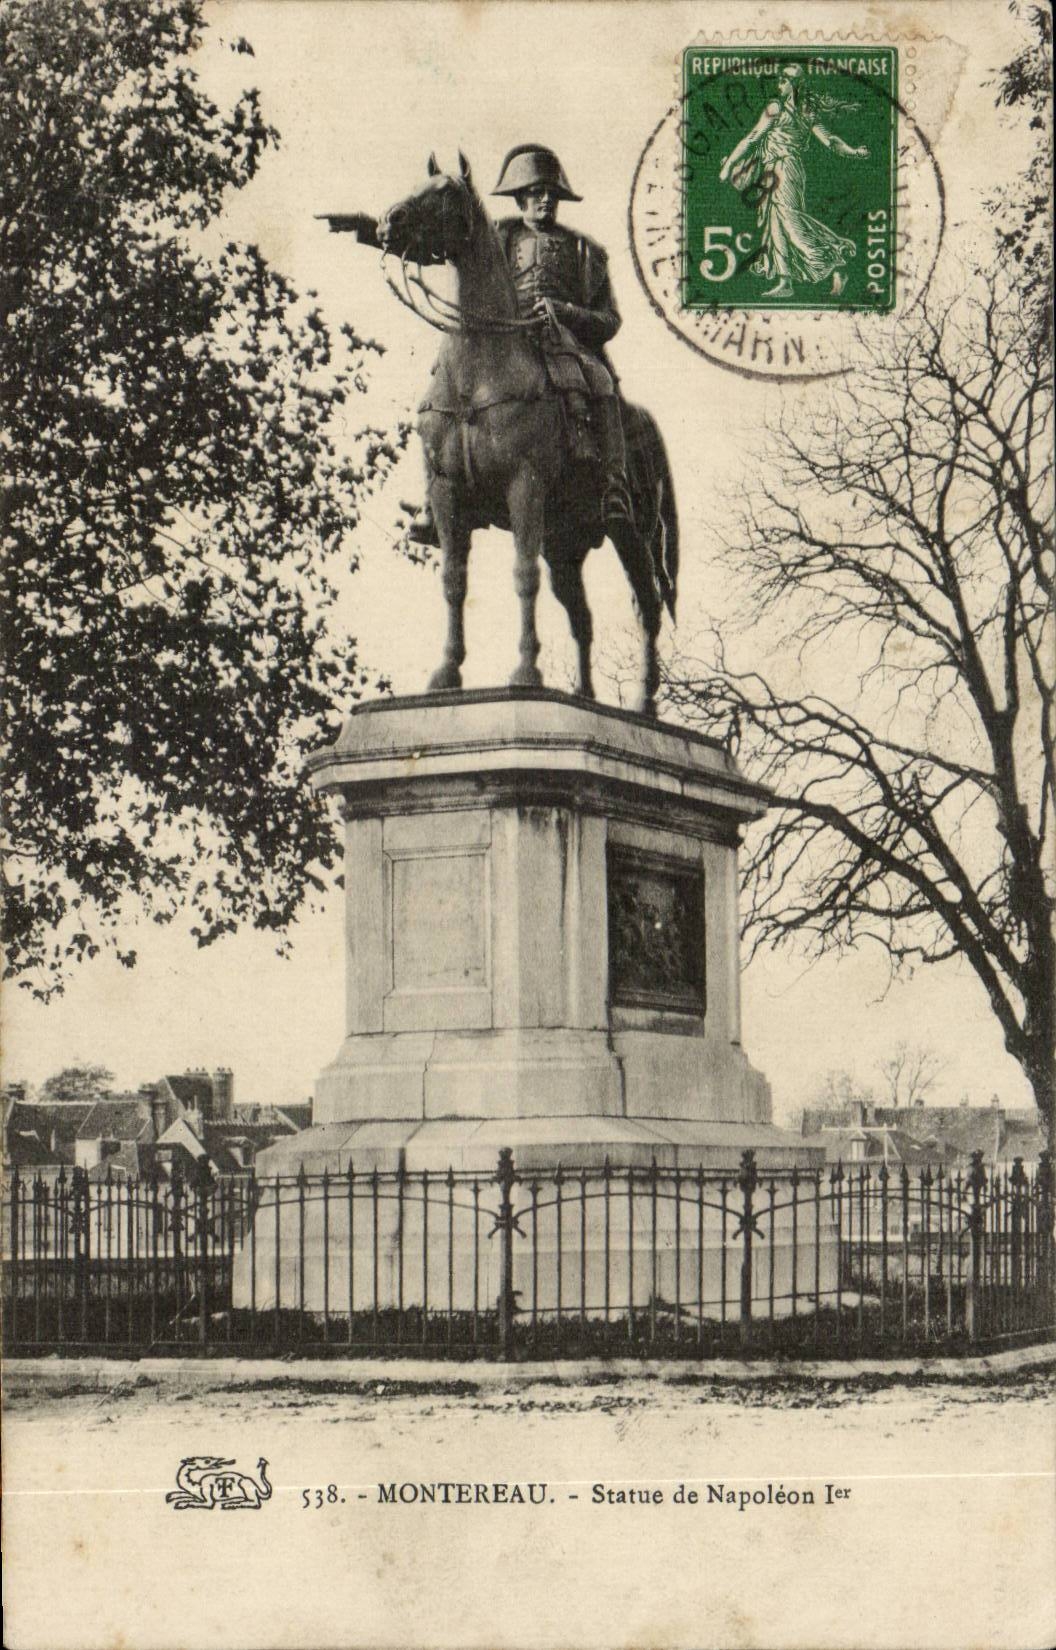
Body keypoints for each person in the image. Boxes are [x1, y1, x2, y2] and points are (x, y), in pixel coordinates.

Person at [719, 65, 869, 299]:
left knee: (789, 220)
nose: (779, 82)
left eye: (784, 79)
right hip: (775, 170)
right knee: (775, 223)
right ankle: (785, 281)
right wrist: (853, 151)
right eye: (780, 78)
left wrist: (729, 166)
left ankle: (836, 258)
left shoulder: (778, 109)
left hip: (785, 169)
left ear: (794, 84)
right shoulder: (803, 112)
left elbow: (753, 137)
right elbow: (830, 141)